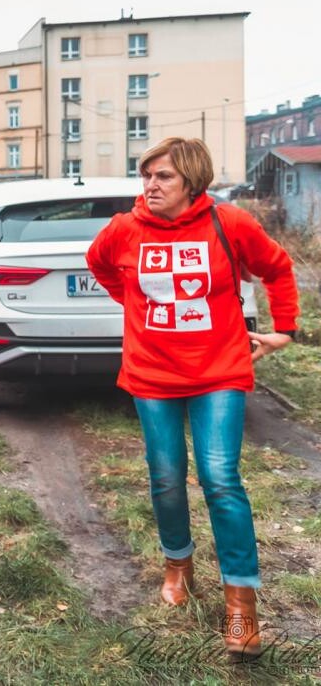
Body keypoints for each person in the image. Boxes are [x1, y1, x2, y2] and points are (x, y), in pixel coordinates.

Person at [86, 137, 298, 657]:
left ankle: (241, 606)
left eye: (164, 177)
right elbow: (101, 266)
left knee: (221, 477)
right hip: (151, 373)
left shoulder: (231, 225)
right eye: (147, 176)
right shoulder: (124, 230)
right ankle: (178, 564)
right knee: (165, 476)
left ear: (191, 183)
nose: (151, 185)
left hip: (220, 369)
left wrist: (285, 329)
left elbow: (277, 267)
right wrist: (133, 300)